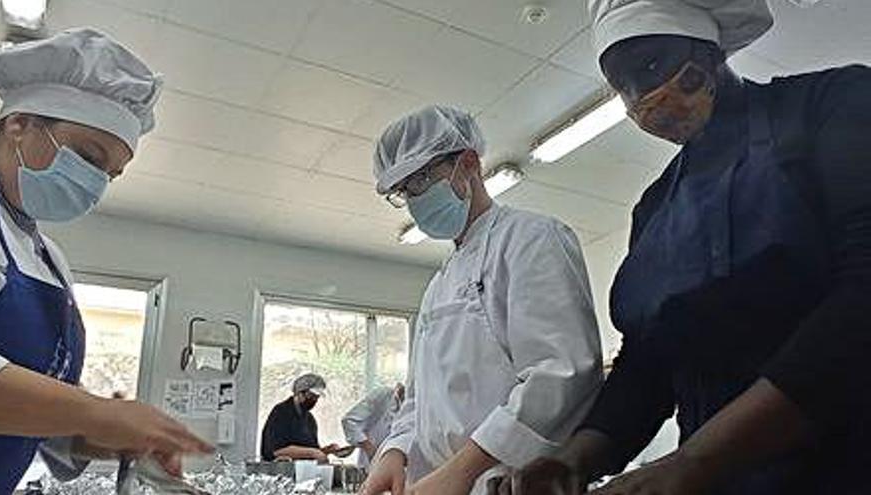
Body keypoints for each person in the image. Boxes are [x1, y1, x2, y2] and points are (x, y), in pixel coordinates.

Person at [508, 0, 871, 494]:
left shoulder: (831, 105)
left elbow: (863, 295)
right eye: (623, 87)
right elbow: (649, 361)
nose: (642, 96)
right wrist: (578, 456)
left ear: (708, 48)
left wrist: (695, 461)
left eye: (651, 66)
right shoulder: (656, 206)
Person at [0, 28, 213, 494]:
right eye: (90, 157)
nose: (95, 184)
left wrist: (111, 438)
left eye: (110, 174)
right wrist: (95, 411)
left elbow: (31, 416)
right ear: (20, 123)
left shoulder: (49, 259)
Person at [360, 105, 604, 495]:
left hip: (510, 484)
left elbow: (560, 373)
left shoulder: (531, 238)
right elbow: (421, 399)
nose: (413, 201)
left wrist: (463, 470)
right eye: (404, 191)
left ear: (468, 163)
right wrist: (394, 451)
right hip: (439, 483)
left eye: (421, 180)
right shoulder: (438, 284)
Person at [260, 373, 340, 462]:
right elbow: (275, 451)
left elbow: (313, 450)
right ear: (299, 392)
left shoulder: (309, 419)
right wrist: (313, 453)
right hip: (281, 470)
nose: (314, 400)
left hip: (304, 470)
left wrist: (328, 450)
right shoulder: (281, 412)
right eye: (311, 396)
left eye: (316, 397)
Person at [341, 383, 405, 469]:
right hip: (370, 468)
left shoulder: (418, 407)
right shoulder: (384, 395)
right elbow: (349, 421)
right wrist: (369, 449)